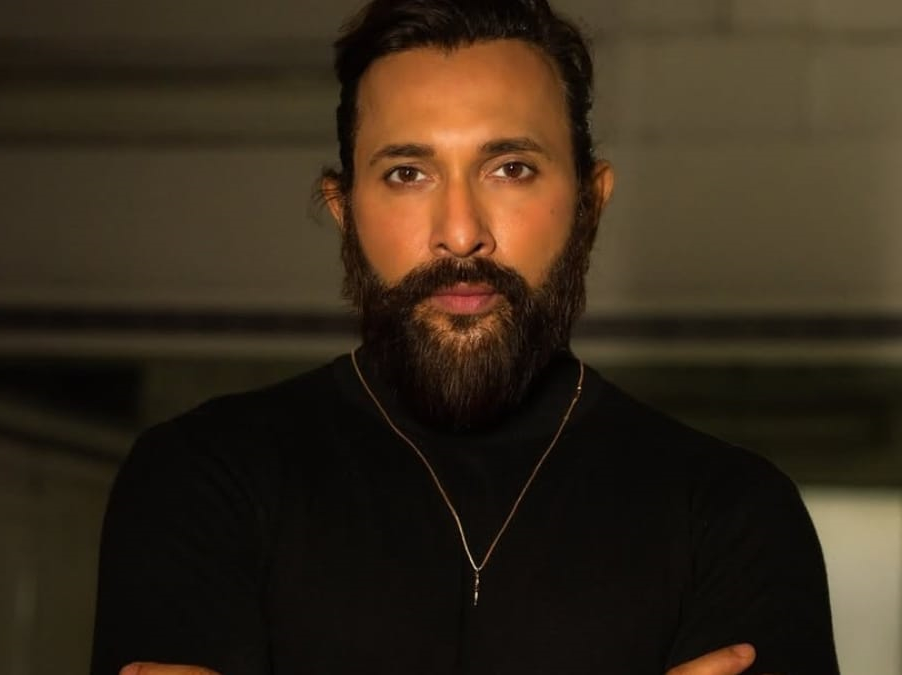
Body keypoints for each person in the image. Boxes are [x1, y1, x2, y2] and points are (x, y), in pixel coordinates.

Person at [90, 1, 839, 674]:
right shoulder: (205, 479)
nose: (459, 232)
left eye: (511, 168)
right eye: (407, 173)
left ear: (590, 203)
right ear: (344, 212)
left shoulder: (731, 514)